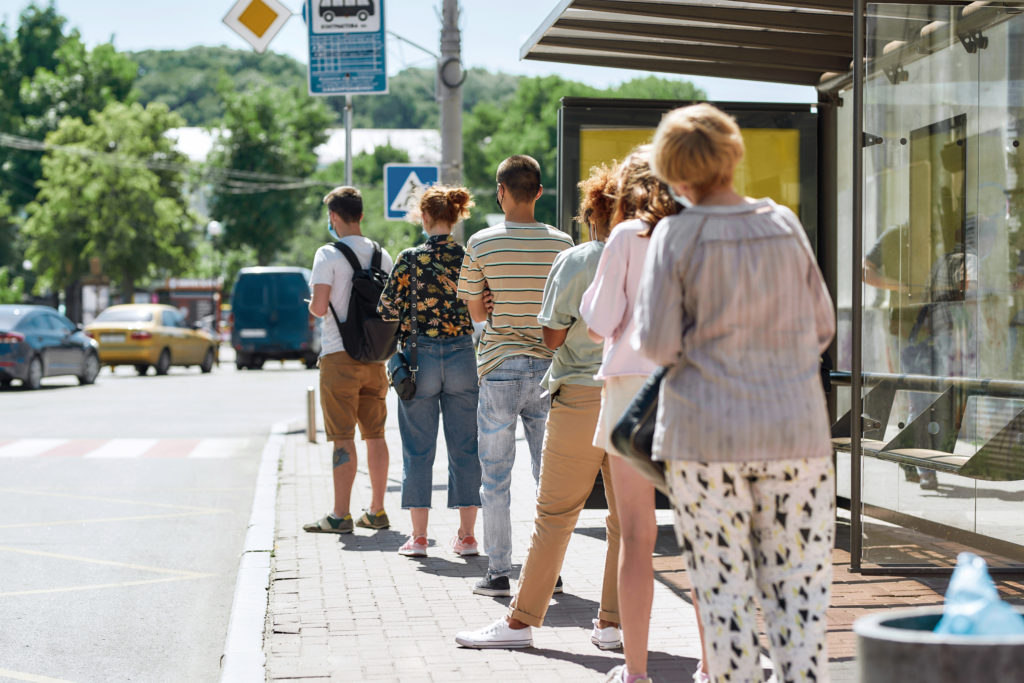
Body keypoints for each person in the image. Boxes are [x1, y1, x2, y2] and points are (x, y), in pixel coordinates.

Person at [635, 103, 836, 683]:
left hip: (704, 437)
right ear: (733, 153)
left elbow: (658, 343)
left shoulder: (675, 234)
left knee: (725, 605)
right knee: (799, 606)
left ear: (672, 168)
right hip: (795, 432)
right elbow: (822, 327)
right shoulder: (782, 223)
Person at [455, 164, 622, 649]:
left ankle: (509, 594)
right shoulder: (565, 245)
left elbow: (482, 310)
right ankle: (609, 624)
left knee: (520, 490)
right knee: (622, 518)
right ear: (540, 192)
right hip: (629, 393)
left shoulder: (492, 244)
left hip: (536, 373)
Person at [580, 146, 710, 683]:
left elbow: (599, 319)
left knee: (636, 537)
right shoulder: (701, 232)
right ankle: (712, 667)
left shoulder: (627, 235)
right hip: (696, 386)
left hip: (632, 387)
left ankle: (636, 673)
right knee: (705, 535)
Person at [457, 154, 574, 596]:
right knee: (549, 477)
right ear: (540, 192)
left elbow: (472, 303)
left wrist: (491, 319)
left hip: (500, 367)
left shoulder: (482, 242)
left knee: (496, 477)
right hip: (548, 368)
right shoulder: (562, 244)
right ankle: (550, 572)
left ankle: (499, 572)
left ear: (501, 191)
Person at [376, 186, 482, 557]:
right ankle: (467, 537)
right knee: (465, 449)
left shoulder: (409, 259)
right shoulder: (468, 256)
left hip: (419, 360)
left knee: (418, 450)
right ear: (454, 218)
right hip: (461, 357)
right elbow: (481, 304)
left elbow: (387, 308)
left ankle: (419, 539)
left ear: (424, 218)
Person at [303, 186, 393, 534]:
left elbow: (320, 306)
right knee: (376, 435)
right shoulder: (382, 255)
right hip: (375, 358)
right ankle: (377, 511)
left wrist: (311, 304)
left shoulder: (327, 254)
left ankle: (340, 515)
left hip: (339, 357)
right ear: (361, 216)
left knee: (343, 438)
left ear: (334, 218)